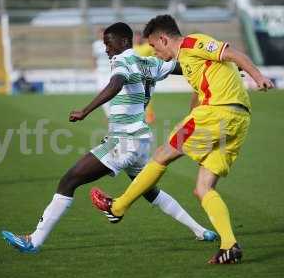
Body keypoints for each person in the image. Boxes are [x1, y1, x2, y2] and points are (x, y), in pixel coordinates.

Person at [1, 22, 217, 253]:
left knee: (69, 181)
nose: (106, 49)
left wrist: (86, 110)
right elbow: (183, 67)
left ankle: (33, 241)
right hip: (141, 140)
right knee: (150, 191)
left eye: (108, 43)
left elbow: (116, 83)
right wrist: (215, 68)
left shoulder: (121, 60)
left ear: (124, 42)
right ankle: (200, 231)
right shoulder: (150, 62)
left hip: (123, 140)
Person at [91, 15, 274, 264]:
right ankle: (230, 245)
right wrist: (191, 116)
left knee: (161, 155)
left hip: (217, 112)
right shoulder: (189, 61)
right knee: (203, 189)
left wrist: (257, 76)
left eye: (155, 47)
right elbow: (200, 92)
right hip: (238, 119)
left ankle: (118, 206)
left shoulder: (192, 44)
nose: (154, 52)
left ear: (164, 39)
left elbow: (234, 54)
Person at [92, 27, 111, 116]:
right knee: (100, 93)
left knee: (110, 92)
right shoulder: (96, 44)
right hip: (100, 72)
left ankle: (113, 113)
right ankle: (108, 115)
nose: (102, 35)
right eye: (100, 33)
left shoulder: (111, 44)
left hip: (110, 71)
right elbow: (94, 57)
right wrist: (94, 68)